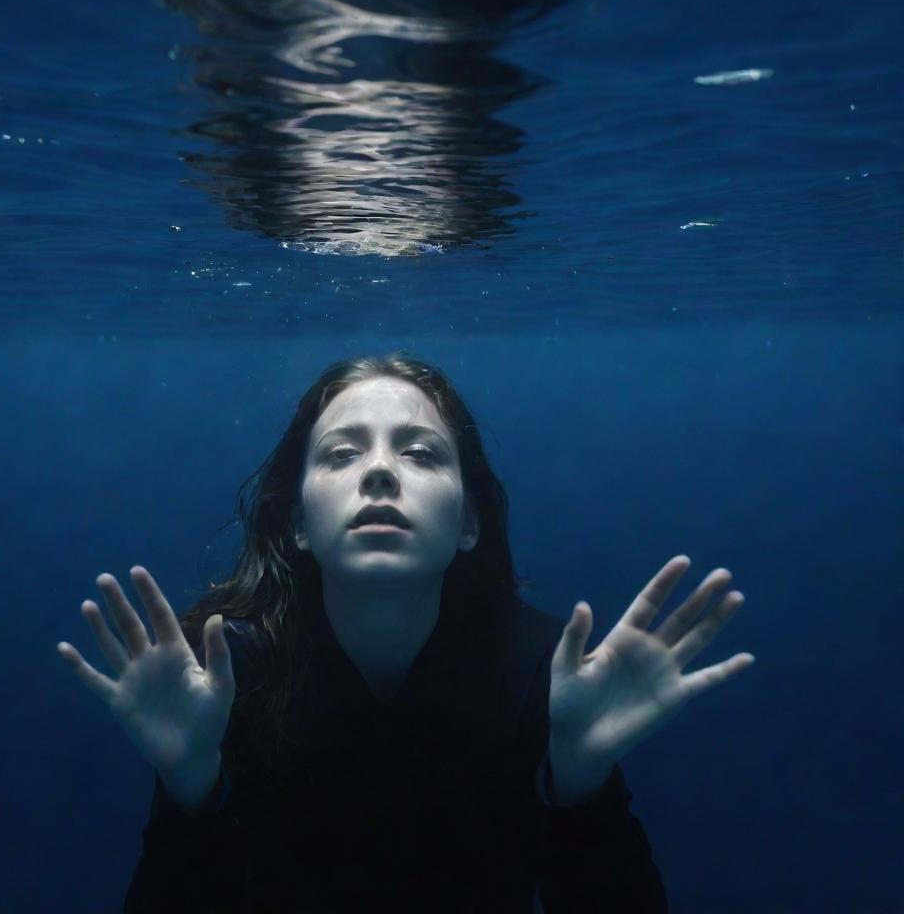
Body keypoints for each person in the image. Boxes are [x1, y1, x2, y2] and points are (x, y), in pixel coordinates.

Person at [57, 353, 755, 913]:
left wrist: (583, 789)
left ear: (470, 522)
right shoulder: (221, 677)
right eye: (341, 455)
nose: (382, 472)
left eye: (420, 453)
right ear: (297, 523)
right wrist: (188, 790)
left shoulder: (550, 676)